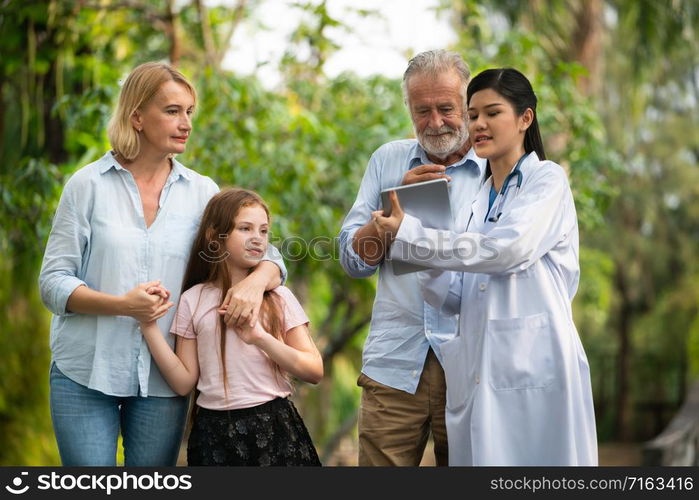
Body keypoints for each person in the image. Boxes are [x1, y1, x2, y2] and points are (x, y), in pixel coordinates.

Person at [38, 62, 286, 466]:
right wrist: (124, 306)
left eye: (189, 111)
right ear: (136, 116)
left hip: (165, 378)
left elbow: (265, 254)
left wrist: (254, 284)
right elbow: (52, 283)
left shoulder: (201, 192)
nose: (185, 123)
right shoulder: (87, 185)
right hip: (84, 371)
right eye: (172, 111)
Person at [374, 68, 598, 465]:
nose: (478, 124)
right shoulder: (478, 198)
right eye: (473, 114)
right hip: (481, 368)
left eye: (492, 113)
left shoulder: (546, 181)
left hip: (534, 362)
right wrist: (414, 232)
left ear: (525, 118)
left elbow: (506, 250)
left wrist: (414, 235)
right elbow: (453, 294)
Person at [338, 50, 486, 466]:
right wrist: (392, 209)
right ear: (408, 109)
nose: (435, 123)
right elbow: (353, 261)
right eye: (423, 111)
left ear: (468, 106)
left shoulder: (498, 167)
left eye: (446, 109)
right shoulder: (388, 160)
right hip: (396, 365)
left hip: (471, 366)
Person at [138, 188, 323, 466]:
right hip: (213, 435)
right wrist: (148, 327)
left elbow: (314, 370)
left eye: (263, 231)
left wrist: (260, 338)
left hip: (274, 429)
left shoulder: (278, 296)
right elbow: (184, 382)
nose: (257, 239)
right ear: (215, 236)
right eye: (245, 228)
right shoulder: (193, 299)